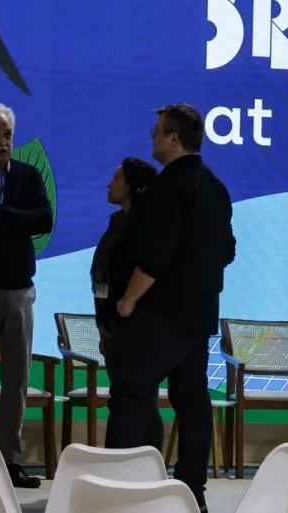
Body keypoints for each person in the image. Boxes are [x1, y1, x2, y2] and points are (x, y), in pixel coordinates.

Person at [105, 103, 236, 512]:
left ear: (174, 138)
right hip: (199, 316)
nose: (152, 138)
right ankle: (191, 491)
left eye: (157, 131)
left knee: (129, 395)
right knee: (192, 401)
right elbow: (227, 250)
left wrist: (128, 300)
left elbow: (156, 256)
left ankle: (120, 491)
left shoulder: (168, 187)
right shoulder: (215, 187)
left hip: (160, 314)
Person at [0, 104, 53, 488]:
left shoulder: (28, 176)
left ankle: (9, 460)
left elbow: (44, 219)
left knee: (16, 378)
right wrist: (11, 217)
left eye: (7, 135)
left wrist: (0, 213)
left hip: (20, 289)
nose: (3, 142)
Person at [90, 157, 163, 451]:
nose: (109, 183)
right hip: (115, 329)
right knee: (129, 400)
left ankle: (136, 473)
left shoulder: (145, 230)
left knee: (138, 403)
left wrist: (122, 316)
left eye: (117, 178)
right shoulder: (118, 225)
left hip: (137, 332)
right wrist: (104, 325)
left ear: (132, 188)